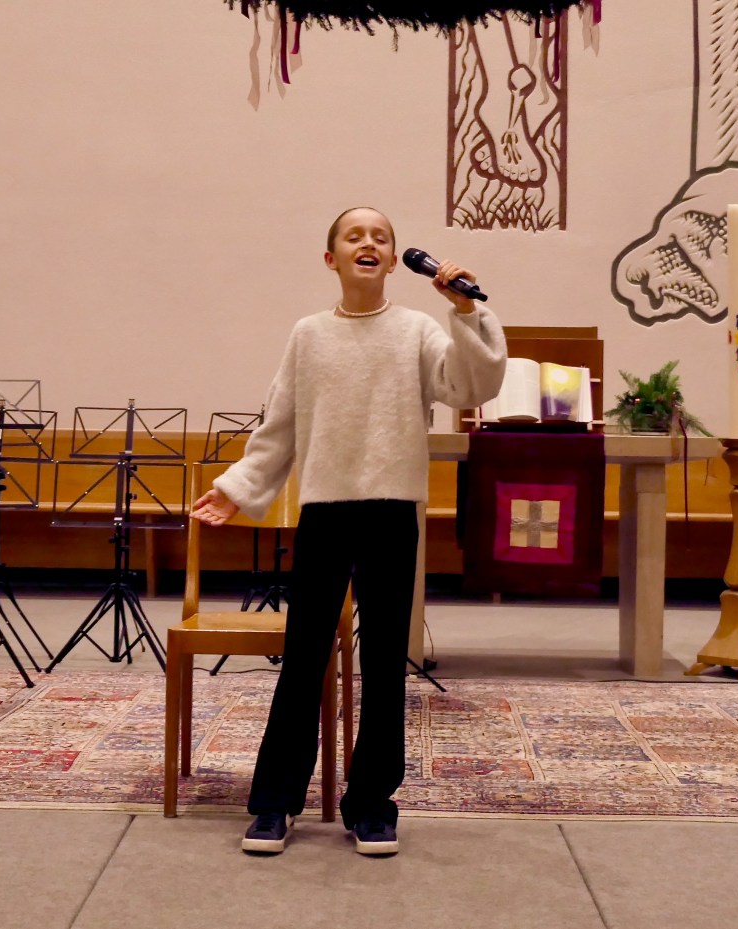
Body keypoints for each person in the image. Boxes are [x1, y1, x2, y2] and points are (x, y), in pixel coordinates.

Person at [192, 207, 506, 856]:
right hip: (326, 510)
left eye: (381, 237)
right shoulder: (309, 335)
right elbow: (279, 424)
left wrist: (466, 311)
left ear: (393, 260)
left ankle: (371, 805)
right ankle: (275, 802)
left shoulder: (418, 329)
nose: (369, 243)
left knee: (385, 663)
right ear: (331, 258)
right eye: (354, 235)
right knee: (303, 656)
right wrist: (238, 486)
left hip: (393, 510)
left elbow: (471, 384)